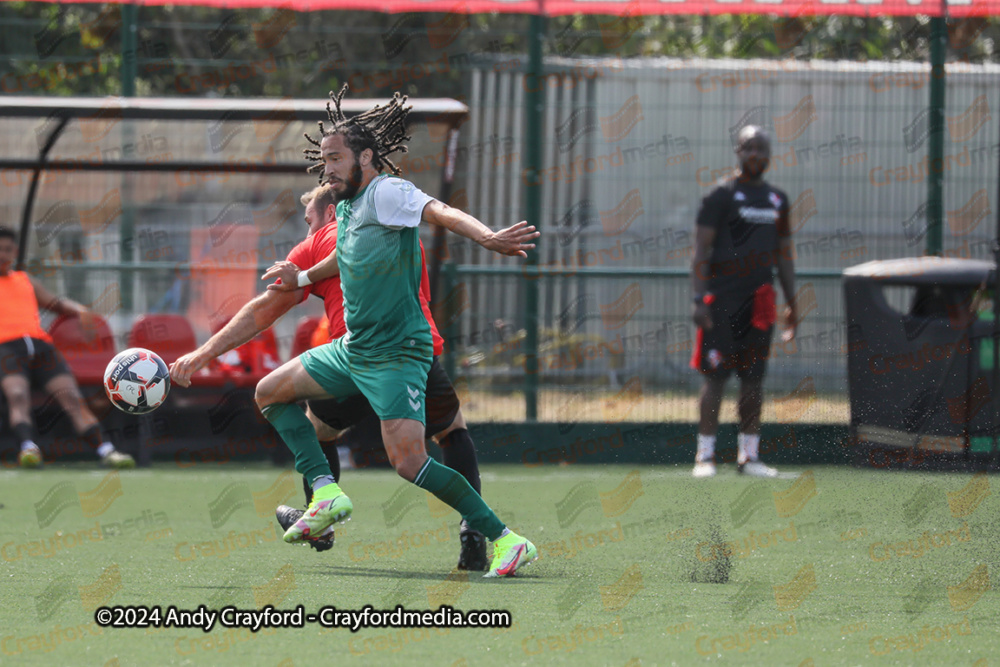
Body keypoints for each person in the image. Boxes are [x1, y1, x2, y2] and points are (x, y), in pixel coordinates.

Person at [251, 86, 538, 577]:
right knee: (269, 392)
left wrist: (487, 236)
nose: (329, 168)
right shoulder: (346, 203)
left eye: (337, 158)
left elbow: (439, 211)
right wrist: (299, 278)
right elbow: (344, 255)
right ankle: (324, 492)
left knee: (408, 463)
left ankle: (506, 540)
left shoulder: (388, 191)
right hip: (354, 348)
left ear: (366, 155)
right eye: (325, 160)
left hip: (397, 352)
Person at [171, 183, 492, 571]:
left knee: (313, 427)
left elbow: (264, 310)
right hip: (413, 354)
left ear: (329, 213)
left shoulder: (319, 242)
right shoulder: (396, 234)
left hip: (354, 360)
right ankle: (474, 533)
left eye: (309, 220)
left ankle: (320, 520)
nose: (306, 231)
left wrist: (205, 352)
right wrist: (487, 236)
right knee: (449, 433)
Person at [689, 126, 797, 478]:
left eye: (761, 148)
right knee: (716, 378)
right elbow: (701, 251)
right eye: (749, 148)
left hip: (760, 305)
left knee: (753, 381)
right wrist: (698, 299)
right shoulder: (720, 196)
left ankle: (749, 457)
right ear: (738, 151)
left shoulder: (777, 200)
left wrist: (792, 302)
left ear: (769, 155)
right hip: (722, 301)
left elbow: (784, 256)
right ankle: (705, 456)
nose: (755, 154)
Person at [0, 226, 135, 469]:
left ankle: (106, 450)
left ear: (15, 251)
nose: (2, 254)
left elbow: (56, 303)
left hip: (41, 347)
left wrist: (82, 311)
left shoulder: (25, 280)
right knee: (17, 395)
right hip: (6, 348)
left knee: (72, 397)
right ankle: (28, 448)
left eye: (7, 249)